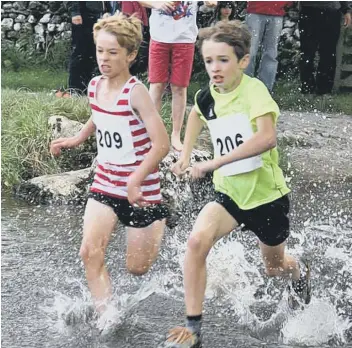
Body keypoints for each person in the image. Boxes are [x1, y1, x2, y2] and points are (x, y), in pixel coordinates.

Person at [159, 20, 311, 348]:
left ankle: (299, 273)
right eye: (209, 61)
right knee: (197, 242)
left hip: (266, 198)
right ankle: (193, 330)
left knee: (274, 268)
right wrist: (185, 155)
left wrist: (213, 162)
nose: (214, 68)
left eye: (223, 60)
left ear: (242, 61)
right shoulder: (207, 94)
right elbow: (197, 114)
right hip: (229, 193)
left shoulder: (254, 91)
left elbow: (267, 138)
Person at [50, 12, 170, 312]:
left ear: (129, 55)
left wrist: (135, 178)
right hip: (105, 181)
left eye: (112, 53)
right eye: (100, 51)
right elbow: (99, 114)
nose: (104, 59)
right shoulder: (94, 86)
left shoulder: (137, 93)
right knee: (89, 252)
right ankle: (108, 319)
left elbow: (162, 144)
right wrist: (77, 138)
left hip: (140, 189)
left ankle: (160, 218)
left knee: (137, 268)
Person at [139, 1, 217, 152]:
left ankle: (176, 135)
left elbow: (211, 2)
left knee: (179, 88)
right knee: (156, 85)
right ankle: (151, 134)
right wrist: (157, 3)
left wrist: (211, 3)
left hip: (185, 38)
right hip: (159, 37)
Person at [56, 2, 113, 98]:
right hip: (83, 13)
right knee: (79, 51)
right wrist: (75, 12)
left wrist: (107, 9)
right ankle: (75, 89)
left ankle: (87, 88)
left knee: (92, 52)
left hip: (97, 13)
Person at [299, 1, 352, 95]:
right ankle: (309, 90)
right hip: (310, 9)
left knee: (327, 53)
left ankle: (322, 90)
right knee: (308, 53)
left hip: (329, 10)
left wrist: (346, 10)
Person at [245, 1, 292, 92]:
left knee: (271, 53)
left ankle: (265, 89)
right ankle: (245, 86)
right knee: (250, 51)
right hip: (255, 11)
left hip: (277, 13)